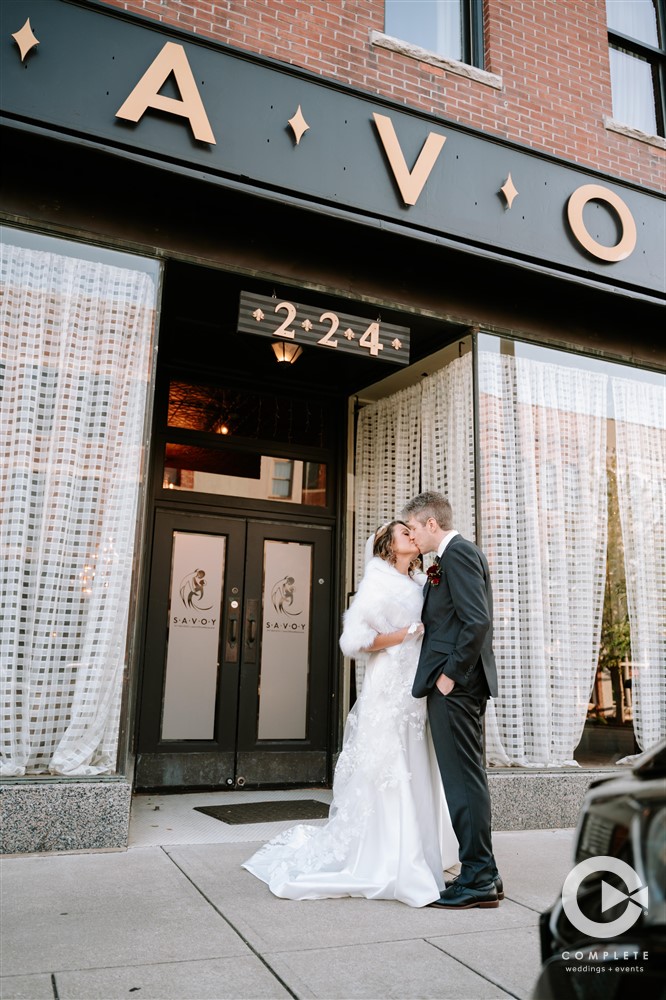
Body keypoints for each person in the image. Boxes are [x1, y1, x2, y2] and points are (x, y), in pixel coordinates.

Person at [242, 520, 458, 907]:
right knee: (390, 764)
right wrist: (407, 633)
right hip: (389, 683)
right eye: (403, 533)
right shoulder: (376, 583)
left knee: (415, 760)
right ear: (388, 546)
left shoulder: (419, 581)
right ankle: (390, 855)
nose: (411, 535)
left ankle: (424, 848)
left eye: (413, 532)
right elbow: (354, 641)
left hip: (415, 686)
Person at [401, 491, 502, 910]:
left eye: (412, 528)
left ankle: (477, 877)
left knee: (462, 781)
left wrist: (449, 677)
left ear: (431, 523)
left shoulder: (458, 553)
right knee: (466, 778)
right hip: (458, 685)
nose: (410, 536)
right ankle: (486, 873)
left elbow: (477, 621)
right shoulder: (453, 556)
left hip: (456, 687)